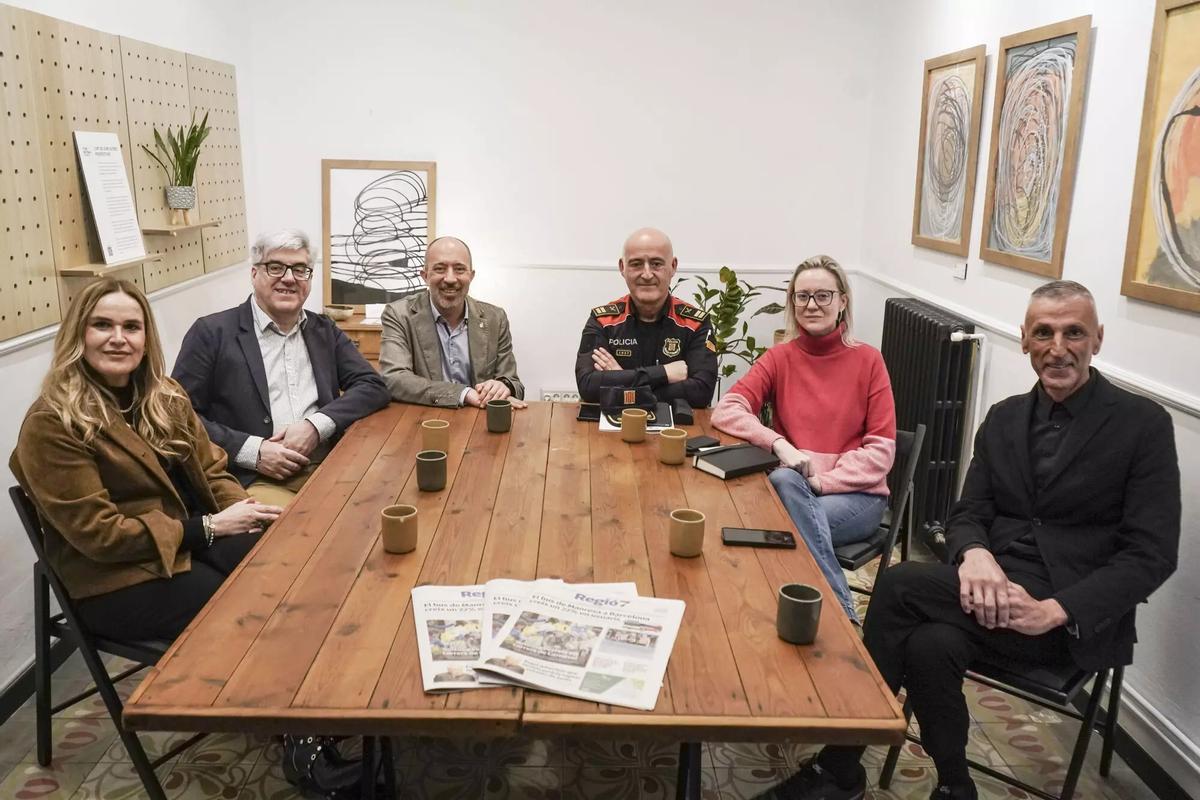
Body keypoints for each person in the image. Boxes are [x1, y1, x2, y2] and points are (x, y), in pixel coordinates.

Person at [779, 280, 1181, 800]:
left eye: (1074, 333)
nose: (1058, 348)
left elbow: (1152, 554)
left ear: (1097, 339)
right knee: (930, 644)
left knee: (899, 585)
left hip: (1066, 616)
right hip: (983, 593)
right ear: (1024, 340)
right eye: (1044, 333)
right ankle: (955, 785)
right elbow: (969, 511)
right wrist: (975, 555)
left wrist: (1056, 610)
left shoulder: (1142, 424)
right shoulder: (1005, 417)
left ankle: (839, 767)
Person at [10, 279, 280, 642]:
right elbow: (101, 536)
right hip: (115, 577)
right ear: (78, 335)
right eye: (102, 325)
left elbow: (212, 470)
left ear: (146, 339)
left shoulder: (164, 396)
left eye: (131, 327)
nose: (118, 338)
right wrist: (210, 527)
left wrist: (243, 512)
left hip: (185, 542)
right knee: (240, 608)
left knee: (277, 565)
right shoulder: (52, 423)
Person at [712, 255, 896, 623]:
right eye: (802, 296)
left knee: (774, 521)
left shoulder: (868, 360)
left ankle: (834, 614)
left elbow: (880, 453)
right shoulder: (780, 358)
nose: (811, 305)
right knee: (784, 484)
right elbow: (727, 409)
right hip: (795, 490)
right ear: (792, 302)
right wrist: (778, 444)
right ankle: (820, 619)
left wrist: (822, 481)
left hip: (856, 496)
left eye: (823, 296)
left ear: (842, 301)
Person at [173, 229, 389, 506]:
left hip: (329, 464)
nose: (289, 278)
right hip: (255, 478)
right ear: (254, 273)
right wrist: (255, 451)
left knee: (384, 502)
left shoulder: (323, 330)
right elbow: (178, 417)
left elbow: (372, 386)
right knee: (293, 530)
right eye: (275, 267)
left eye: (300, 270)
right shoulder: (211, 333)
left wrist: (316, 426)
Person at [575, 227, 718, 408]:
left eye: (656, 264)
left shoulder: (695, 323)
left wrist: (622, 381)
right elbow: (588, 386)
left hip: (677, 425)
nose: (647, 274)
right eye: (636, 264)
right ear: (622, 267)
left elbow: (701, 392)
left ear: (673, 266)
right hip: (614, 423)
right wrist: (664, 373)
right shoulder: (602, 321)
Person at [379, 236, 526, 408]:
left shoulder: (495, 318)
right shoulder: (399, 315)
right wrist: (463, 394)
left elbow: (514, 384)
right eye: (440, 269)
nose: (450, 279)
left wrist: (503, 386)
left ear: (471, 276)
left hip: (480, 417)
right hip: (424, 418)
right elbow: (393, 379)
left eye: (459, 269)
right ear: (425, 276)